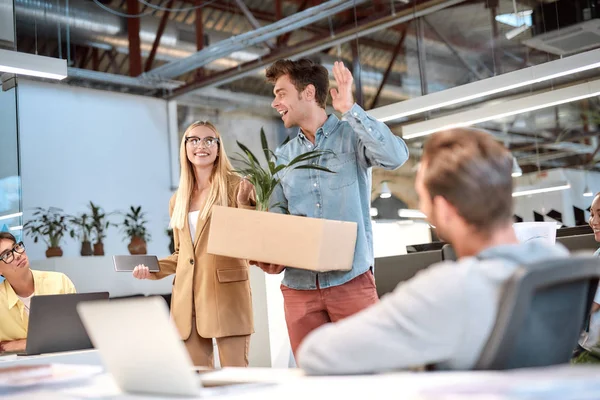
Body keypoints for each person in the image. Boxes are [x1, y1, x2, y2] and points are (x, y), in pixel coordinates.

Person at [296, 127, 569, 375]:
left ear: (446, 211)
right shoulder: (557, 265)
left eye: (423, 200)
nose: (425, 212)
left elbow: (316, 353)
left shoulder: (447, 289)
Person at [253, 58, 409, 358]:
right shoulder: (282, 158)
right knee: (313, 382)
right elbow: (278, 221)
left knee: (370, 374)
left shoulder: (351, 137)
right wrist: (264, 250)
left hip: (350, 282)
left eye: (281, 93)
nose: (275, 102)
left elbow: (395, 157)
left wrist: (351, 109)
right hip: (299, 290)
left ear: (308, 93)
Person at [132, 121, 254, 368]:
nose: (202, 145)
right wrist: (151, 269)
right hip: (187, 300)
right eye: (194, 140)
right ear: (185, 148)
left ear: (219, 148)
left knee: (236, 379)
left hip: (226, 295)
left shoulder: (235, 185)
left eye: (210, 140)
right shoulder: (178, 199)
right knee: (199, 381)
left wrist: (245, 203)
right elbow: (182, 255)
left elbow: (251, 238)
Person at [0, 231, 76, 353]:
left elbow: (76, 334)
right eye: (7, 255)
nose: (18, 255)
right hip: (18, 368)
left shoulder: (60, 282)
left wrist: (20, 344)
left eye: (16, 247)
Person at [572, 192, 600, 363]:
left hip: (593, 351)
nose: (594, 221)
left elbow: (589, 306)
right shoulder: (597, 254)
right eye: (592, 214)